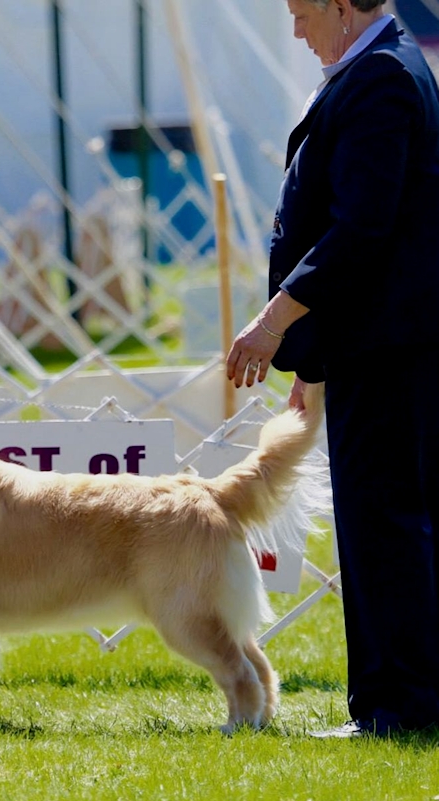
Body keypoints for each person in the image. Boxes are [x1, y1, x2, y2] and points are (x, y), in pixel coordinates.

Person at [226, 0, 439, 737]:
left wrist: (274, 321)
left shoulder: (380, 76)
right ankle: (392, 701)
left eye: (302, 12)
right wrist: (312, 359)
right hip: (373, 343)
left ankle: (400, 707)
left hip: (388, 345)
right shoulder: (381, 66)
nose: (295, 29)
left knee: (384, 524)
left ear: (343, 5)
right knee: (382, 523)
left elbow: (361, 227)